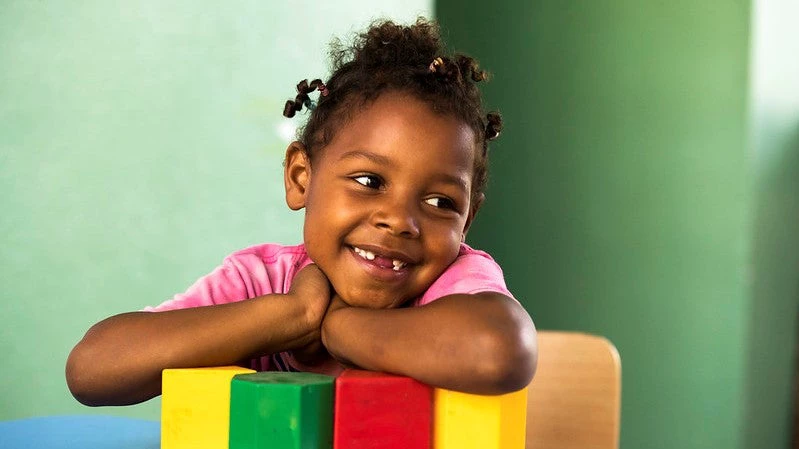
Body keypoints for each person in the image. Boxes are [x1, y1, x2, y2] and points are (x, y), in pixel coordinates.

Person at [66, 18, 537, 407]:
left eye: (440, 203)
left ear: (467, 221)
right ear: (300, 177)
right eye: (369, 181)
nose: (399, 220)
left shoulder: (454, 283)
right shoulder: (262, 282)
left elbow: (498, 352)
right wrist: (294, 314)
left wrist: (338, 327)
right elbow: (92, 370)